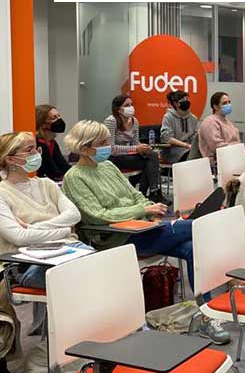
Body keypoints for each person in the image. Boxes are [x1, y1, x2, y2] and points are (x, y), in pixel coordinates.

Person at [61, 120, 229, 343]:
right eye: (101, 143)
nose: (107, 147)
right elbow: (97, 215)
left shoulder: (108, 166)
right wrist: (143, 210)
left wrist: (151, 208)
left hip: (143, 229)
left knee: (192, 248)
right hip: (117, 238)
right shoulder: (74, 177)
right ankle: (215, 302)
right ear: (84, 148)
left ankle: (205, 315)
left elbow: (135, 194)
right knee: (198, 228)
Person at [0, 132, 90, 335]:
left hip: (69, 249)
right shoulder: (2, 193)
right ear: (10, 159)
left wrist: (34, 227)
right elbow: (18, 237)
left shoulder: (47, 184)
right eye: (29, 150)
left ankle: (66, 339)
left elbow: (74, 215)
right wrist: (64, 230)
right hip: (28, 262)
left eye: (36, 148)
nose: (36, 153)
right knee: (89, 279)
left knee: (102, 267)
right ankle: (59, 342)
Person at [104, 95, 163, 202]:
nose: (130, 107)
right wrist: (136, 148)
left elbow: (136, 142)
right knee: (149, 162)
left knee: (152, 155)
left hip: (128, 155)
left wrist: (145, 148)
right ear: (118, 109)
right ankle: (148, 193)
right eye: (127, 105)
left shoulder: (134, 121)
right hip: (113, 157)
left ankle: (147, 193)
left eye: (131, 104)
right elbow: (110, 148)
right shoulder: (111, 121)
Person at [197, 91, 245, 161]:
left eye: (229, 102)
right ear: (215, 107)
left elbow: (236, 142)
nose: (228, 105)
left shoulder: (228, 122)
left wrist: (244, 151)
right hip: (218, 162)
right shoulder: (210, 122)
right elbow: (217, 146)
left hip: (233, 157)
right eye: (224, 103)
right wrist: (240, 150)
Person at [34, 104, 70, 181]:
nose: (59, 120)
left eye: (59, 116)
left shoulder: (52, 142)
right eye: (54, 118)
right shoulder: (38, 144)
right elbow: (52, 171)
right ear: (42, 124)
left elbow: (63, 165)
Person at [160, 90, 198, 164]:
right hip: (173, 150)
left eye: (187, 99)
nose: (187, 101)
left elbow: (194, 136)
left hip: (190, 148)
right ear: (176, 103)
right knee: (191, 156)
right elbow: (167, 138)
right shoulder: (168, 117)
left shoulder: (193, 118)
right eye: (183, 100)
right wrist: (186, 145)